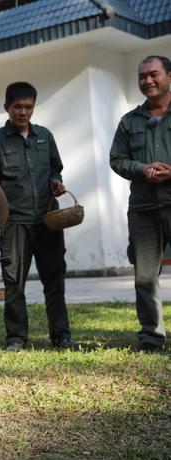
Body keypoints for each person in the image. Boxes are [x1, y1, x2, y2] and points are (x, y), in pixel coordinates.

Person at [0, 82, 72, 352]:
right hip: (13, 225)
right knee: (14, 283)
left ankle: (62, 335)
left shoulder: (45, 136)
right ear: (6, 107)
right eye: (17, 107)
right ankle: (16, 338)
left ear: (34, 106)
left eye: (28, 107)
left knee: (54, 282)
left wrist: (57, 182)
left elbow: (56, 169)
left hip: (47, 221)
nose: (23, 112)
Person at [110, 55, 171, 352]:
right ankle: (151, 336)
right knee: (145, 276)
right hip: (143, 209)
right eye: (142, 76)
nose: (147, 80)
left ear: (169, 76)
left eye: (154, 74)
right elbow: (116, 159)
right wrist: (141, 169)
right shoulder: (129, 121)